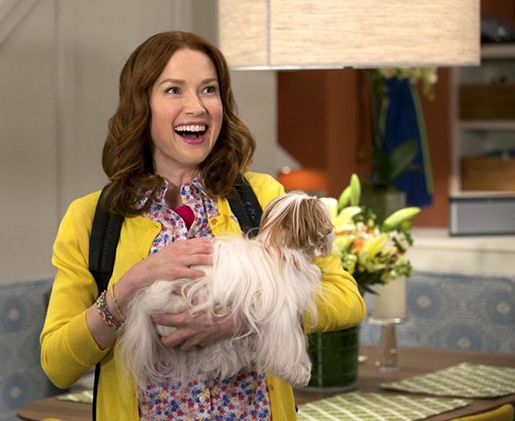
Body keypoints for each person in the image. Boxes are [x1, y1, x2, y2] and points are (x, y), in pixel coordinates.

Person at [40, 30, 366, 420]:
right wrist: (130, 285)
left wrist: (244, 318)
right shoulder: (91, 219)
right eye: (173, 90)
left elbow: (347, 299)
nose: (196, 106)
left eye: (209, 90)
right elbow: (58, 365)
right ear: (140, 105)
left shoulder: (263, 198)